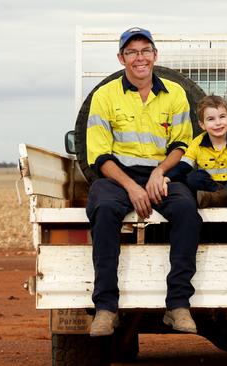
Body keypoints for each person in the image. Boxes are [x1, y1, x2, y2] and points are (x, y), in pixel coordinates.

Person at [85, 27, 201, 336]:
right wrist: (132, 187)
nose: (140, 57)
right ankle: (106, 309)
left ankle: (178, 306)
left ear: (155, 55)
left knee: (187, 211)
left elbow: (182, 145)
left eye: (145, 50)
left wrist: (160, 173)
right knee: (106, 208)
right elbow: (99, 155)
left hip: (160, 174)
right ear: (121, 57)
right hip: (117, 176)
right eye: (132, 52)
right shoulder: (105, 96)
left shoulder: (175, 93)